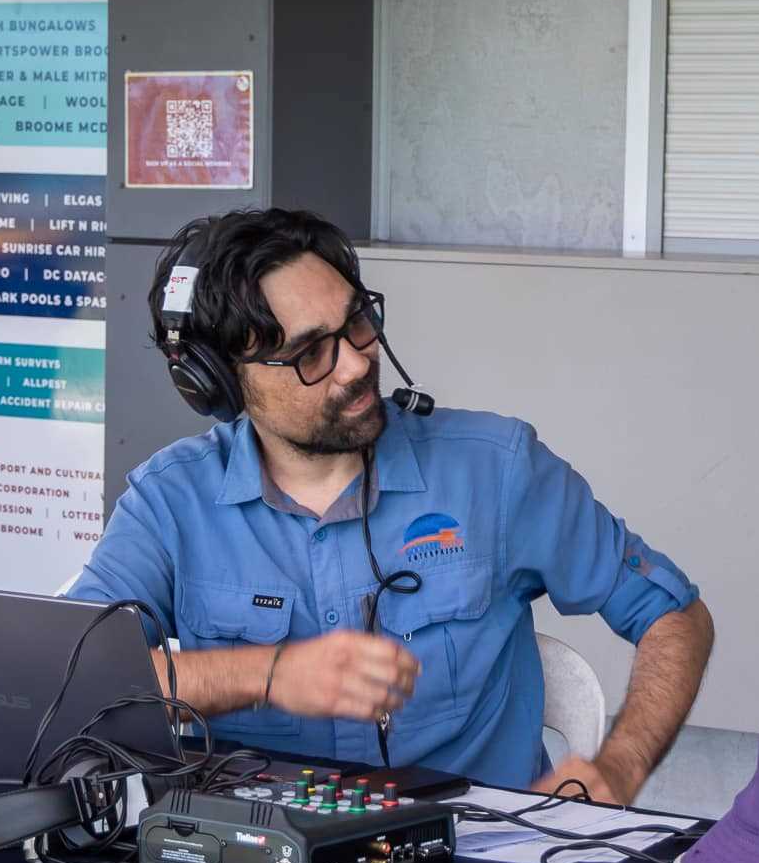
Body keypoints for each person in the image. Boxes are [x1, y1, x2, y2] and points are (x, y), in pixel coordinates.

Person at [67, 207, 713, 802]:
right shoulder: (169, 501)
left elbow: (674, 615)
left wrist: (619, 767)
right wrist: (264, 674)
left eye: (358, 321)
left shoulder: (497, 467)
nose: (355, 363)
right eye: (310, 352)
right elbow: (62, 674)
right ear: (222, 383)